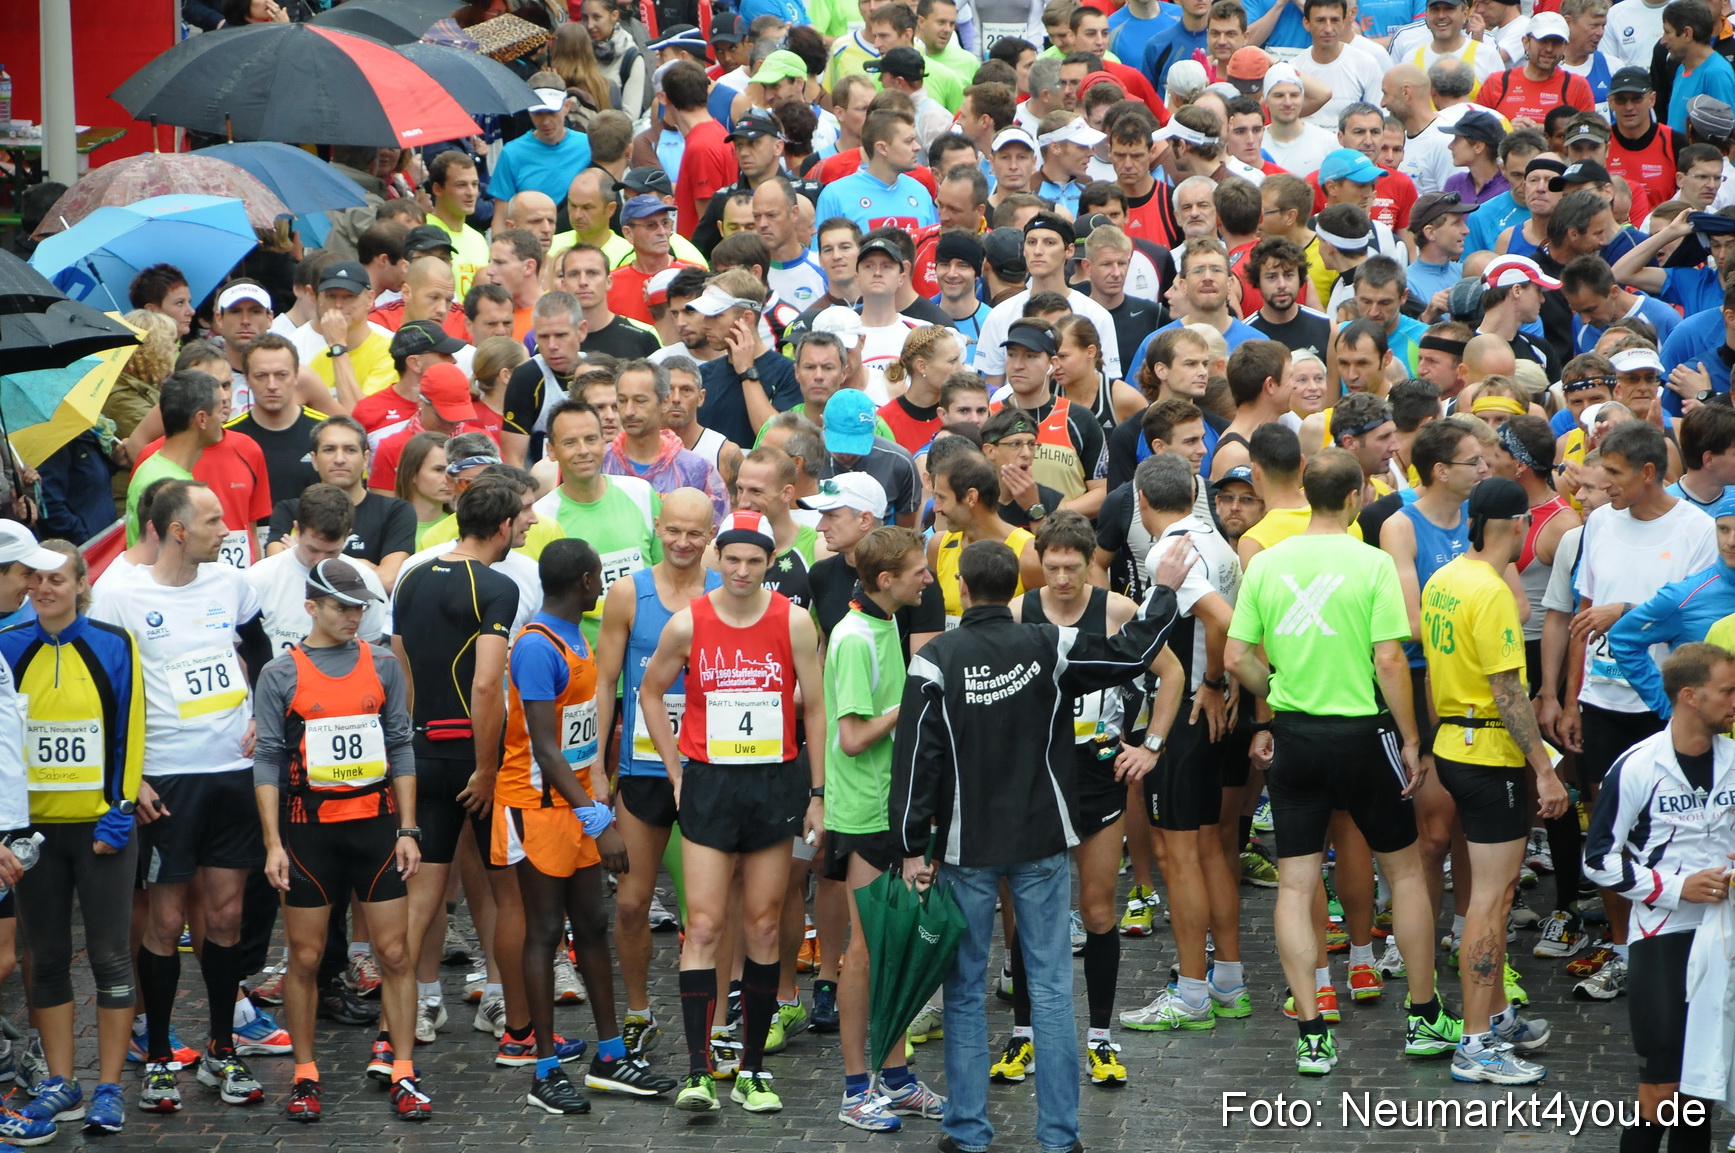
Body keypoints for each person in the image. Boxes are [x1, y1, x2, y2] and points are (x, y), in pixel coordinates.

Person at [889, 533, 1188, 1153]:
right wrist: (1164, 588)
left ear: (962, 589)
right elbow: (1133, 655)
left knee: (967, 991)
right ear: (1016, 587)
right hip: (1042, 839)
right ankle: (1060, 1138)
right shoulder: (1048, 644)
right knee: (1052, 987)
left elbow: (917, 760)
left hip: (966, 850)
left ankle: (968, 1132)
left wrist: (912, 846)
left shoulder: (935, 659)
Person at [1224, 447, 1459, 1076]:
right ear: (1355, 496)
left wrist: (1273, 698)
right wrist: (1411, 739)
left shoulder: (1268, 563)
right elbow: (1389, 660)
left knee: (1297, 884)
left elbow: (1237, 657)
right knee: (1405, 874)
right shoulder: (1374, 562)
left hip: (1296, 737)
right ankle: (1424, 1014)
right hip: (1362, 734)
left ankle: (1311, 1032)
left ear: (1303, 490)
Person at [636, 510, 827, 1116]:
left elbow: (817, 709)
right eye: (734, 559)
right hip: (711, 784)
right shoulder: (687, 623)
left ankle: (751, 1070)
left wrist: (818, 793)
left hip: (775, 784)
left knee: (765, 926)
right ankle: (698, 1069)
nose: (743, 571)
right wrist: (674, 770)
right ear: (719, 559)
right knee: (707, 925)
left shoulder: (795, 622)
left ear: (770, 563)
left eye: (755, 561)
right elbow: (649, 690)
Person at [89, 481, 270, 1113]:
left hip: (232, 771)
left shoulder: (229, 584)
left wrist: (262, 716)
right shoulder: (119, 592)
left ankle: (223, 1049)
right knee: (165, 923)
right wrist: (127, 776)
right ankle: (160, 1055)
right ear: (175, 530)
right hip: (166, 778)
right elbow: (104, 690)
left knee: (224, 918)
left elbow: (259, 646)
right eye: (214, 519)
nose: (227, 527)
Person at [495, 538, 679, 1113]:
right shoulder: (535, 647)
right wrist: (599, 818)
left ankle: (606, 1055)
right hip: (537, 804)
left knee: (593, 924)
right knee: (546, 932)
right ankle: (544, 1068)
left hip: (570, 806)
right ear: (581, 580)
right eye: (597, 577)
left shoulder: (576, 635)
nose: (603, 586)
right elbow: (546, 749)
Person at [249, 557, 423, 1120]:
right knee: (305, 955)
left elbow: (400, 744)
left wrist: (408, 829)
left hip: (375, 828)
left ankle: (402, 1069)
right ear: (311, 608)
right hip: (308, 833)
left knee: (395, 953)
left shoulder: (383, 664)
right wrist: (273, 843)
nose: (354, 617)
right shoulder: (281, 673)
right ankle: (304, 1073)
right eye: (342, 607)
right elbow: (268, 761)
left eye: (360, 608)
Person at [1419, 478, 1570, 1085]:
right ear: (1515, 524)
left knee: (1495, 895)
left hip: (1454, 742)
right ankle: (1477, 1043)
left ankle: (1499, 1015)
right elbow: (1509, 693)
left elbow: (1435, 670)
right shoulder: (1492, 593)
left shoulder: (1445, 579)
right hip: (1491, 758)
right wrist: (1545, 772)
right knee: (1491, 899)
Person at [1561, 421, 1717, 1000]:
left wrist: (1623, 611)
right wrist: (1573, 696)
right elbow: (1582, 611)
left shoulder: (1697, 529)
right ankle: (1625, 949)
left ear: (1649, 473)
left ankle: (1675, 943)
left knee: (1673, 825)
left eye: (1616, 474)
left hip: (1666, 704)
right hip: (1603, 701)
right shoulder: (1598, 522)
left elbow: (1692, 614)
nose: (1603, 484)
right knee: (1607, 823)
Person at [0, 538, 136, 1134]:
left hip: (99, 830)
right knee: (47, 959)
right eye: (37, 578)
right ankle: (61, 1083)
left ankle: (109, 1087)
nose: (46, 588)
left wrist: (122, 807)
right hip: (35, 834)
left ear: (82, 583)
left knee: (110, 958)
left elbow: (131, 727)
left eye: (59, 578)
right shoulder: (7, 647)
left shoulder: (112, 643)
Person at [1586, 642, 1735, 1153]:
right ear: (1690, 696)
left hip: (1723, 936)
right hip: (1662, 934)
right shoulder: (1637, 766)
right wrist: (1676, 888)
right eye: (1728, 691)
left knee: (1702, 1089)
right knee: (1661, 1087)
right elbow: (1597, 858)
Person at [822, 525, 947, 1130]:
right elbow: (851, 739)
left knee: (892, 947)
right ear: (884, 581)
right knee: (866, 952)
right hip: (865, 815)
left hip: (892, 809)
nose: (929, 576)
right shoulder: (853, 638)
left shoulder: (885, 625)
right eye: (918, 569)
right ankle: (854, 1090)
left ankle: (894, 1078)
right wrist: (915, 701)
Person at [594, 489, 720, 1061]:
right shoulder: (628, 593)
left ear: (711, 532)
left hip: (707, 766)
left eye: (695, 533)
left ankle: (715, 1026)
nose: (684, 543)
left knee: (710, 909)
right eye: (674, 531)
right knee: (630, 902)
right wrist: (595, 765)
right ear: (658, 527)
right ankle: (640, 1013)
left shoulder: (725, 594)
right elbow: (604, 683)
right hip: (641, 769)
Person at [533, 401, 663, 650]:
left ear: (605, 442)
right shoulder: (540, 517)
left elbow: (666, 576)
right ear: (551, 450)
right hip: (579, 668)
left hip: (646, 663)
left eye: (591, 439)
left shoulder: (641, 494)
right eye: (570, 443)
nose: (583, 450)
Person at [266, 416, 418, 592]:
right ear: (314, 460)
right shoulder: (289, 510)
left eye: (350, 450)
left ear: (365, 459)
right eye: (329, 449)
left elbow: (389, 581)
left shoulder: (396, 511)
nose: (339, 459)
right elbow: (279, 572)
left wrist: (306, 557)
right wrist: (366, 566)